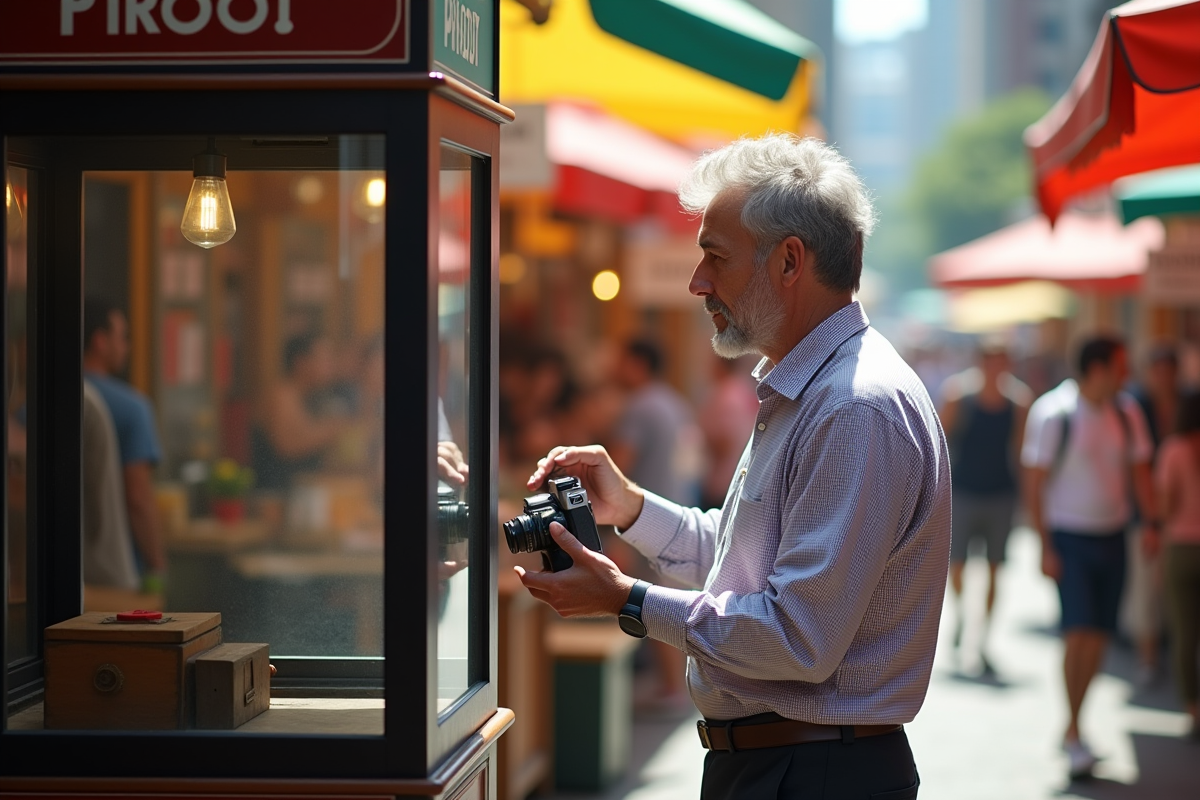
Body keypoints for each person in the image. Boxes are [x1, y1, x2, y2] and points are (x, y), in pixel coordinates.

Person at [516, 134, 951, 800]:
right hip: (789, 764)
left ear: (788, 261)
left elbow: (798, 638)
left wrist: (627, 599)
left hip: (811, 773)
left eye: (714, 257)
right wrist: (630, 506)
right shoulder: (813, 389)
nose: (697, 282)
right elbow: (741, 566)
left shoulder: (852, 406)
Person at [1021, 335, 1159, 780]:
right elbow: (1035, 482)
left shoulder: (1126, 412)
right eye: (1121, 365)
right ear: (1098, 368)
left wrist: (1153, 523)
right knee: (1077, 632)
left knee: (1098, 635)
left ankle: (1074, 723)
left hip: (1113, 535)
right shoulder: (1054, 412)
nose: (1127, 373)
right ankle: (1075, 728)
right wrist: (1044, 545)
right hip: (1071, 537)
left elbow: (1140, 472)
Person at [938, 336, 1031, 675]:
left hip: (1000, 494)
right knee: (958, 565)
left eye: (1002, 360)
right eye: (991, 360)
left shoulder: (1018, 402)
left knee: (995, 569)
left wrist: (1027, 503)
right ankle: (962, 615)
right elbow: (939, 443)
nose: (996, 367)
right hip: (963, 492)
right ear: (981, 362)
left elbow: (1021, 454)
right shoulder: (958, 396)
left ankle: (984, 638)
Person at [83, 297, 166, 592]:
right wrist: (157, 565)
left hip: (54, 570)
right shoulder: (132, 408)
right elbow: (138, 497)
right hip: (116, 571)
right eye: (123, 337)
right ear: (100, 341)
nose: (127, 347)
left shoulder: (37, 404)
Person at [1124, 345, 1181, 687]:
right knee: (1146, 588)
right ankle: (1149, 657)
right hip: (1147, 512)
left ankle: (1173, 654)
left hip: (1184, 511)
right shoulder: (1135, 407)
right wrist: (1149, 516)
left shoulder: (1189, 403)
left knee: (1169, 591)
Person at [251, 332, 349, 492]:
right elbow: (288, 446)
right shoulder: (280, 394)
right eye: (324, 359)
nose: (331, 365)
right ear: (301, 362)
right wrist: (333, 429)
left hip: (300, 492)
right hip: (273, 496)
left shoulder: (311, 396)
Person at [1156, 388, 1200, 739]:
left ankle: (1192, 707)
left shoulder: (1173, 450)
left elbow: (1164, 505)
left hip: (1180, 548)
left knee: (1184, 633)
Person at [697, 353, 760, 511]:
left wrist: (705, 439)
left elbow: (726, 442)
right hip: (742, 475)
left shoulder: (727, 394)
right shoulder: (745, 390)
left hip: (723, 479)